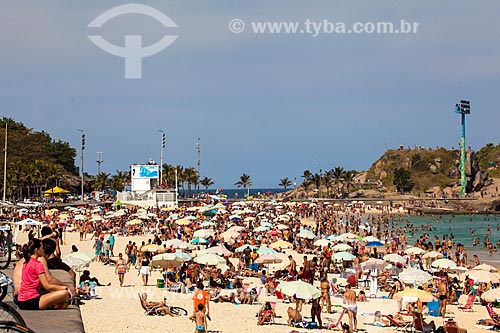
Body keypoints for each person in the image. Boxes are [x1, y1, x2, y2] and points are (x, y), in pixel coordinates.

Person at [16, 238, 73, 310]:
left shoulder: (27, 262)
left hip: (21, 300)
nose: (43, 250)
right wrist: (65, 288)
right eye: (42, 248)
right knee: (64, 293)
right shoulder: (38, 264)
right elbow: (47, 286)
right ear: (36, 250)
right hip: (31, 301)